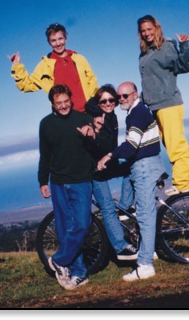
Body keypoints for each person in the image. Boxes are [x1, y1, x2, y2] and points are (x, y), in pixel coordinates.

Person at [136, 15, 189, 196]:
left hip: (169, 104)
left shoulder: (166, 47)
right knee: (177, 144)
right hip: (156, 106)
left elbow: (184, 67)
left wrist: (184, 46)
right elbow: (149, 82)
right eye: (143, 30)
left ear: (156, 28)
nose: (147, 33)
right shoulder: (145, 53)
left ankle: (182, 183)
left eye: (150, 29)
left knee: (175, 147)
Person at [97, 82, 165, 281]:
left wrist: (108, 156)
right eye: (119, 97)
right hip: (143, 164)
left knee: (145, 215)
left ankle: (145, 265)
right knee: (140, 212)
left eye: (125, 96)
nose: (121, 100)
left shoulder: (136, 114)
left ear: (135, 95)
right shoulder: (138, 110)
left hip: (144, 167)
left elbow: (131, 145)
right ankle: (148, 249)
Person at [38, 84, 95, 290]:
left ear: (71, 100)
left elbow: (95, 144)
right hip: (58, 183)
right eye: (58, 103)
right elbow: (45, 154)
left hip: (81, 180)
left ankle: (59, 261)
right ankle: (78, 272)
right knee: (64, 228)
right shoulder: (45, 124)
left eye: (66, 102)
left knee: (81, 224)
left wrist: (91, 134)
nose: (63, 106)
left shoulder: (83, 119)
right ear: (52, 104)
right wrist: (42, 181)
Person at [82, 85, 138, 261]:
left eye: (111, 100)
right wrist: (95, 133)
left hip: (106, 162)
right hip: (94, 168)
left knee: (132, 168)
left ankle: (124, 206)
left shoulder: (111, 116)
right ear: (98, 102)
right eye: (103, 101)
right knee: (106, 207)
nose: (108, 103)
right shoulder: (96, 116)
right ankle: (120, 248)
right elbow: (101, 145)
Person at [9, 23, 98, 112]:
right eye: (53, 40)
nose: (58, 43)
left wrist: (95, 104)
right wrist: (17, 66)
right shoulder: (45, 65)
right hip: (64, 117)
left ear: (65, 38)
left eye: (60, 39)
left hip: (87, 112)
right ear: (49, 43)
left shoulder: (79, 59)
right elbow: (26, 85)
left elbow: (92, 81)